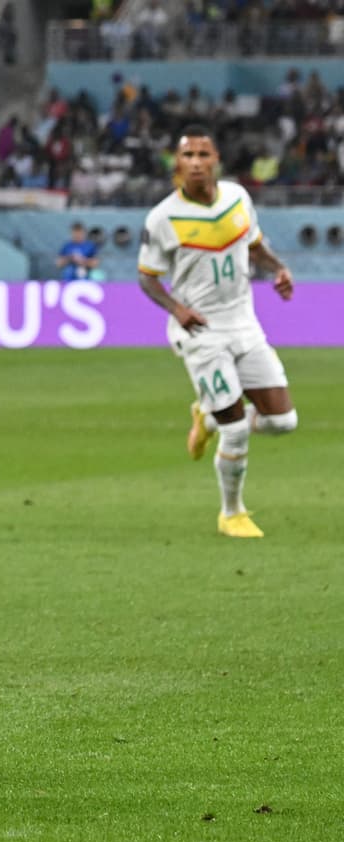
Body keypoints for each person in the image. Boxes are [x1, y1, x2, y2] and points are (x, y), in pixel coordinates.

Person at [136, 124, 297, 539]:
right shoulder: (163, 217)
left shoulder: (237, 198)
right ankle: (232, 513)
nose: (195, 163)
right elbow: (147, 277)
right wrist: (177, 308)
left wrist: (277, 269)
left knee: (283, 421)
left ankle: (205, 415)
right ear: (177, 162)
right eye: (187, 155)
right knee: (237, 428)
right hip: (201, 331)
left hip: (244, 322)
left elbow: (254, 245)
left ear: (216, 161)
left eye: (203, 155)